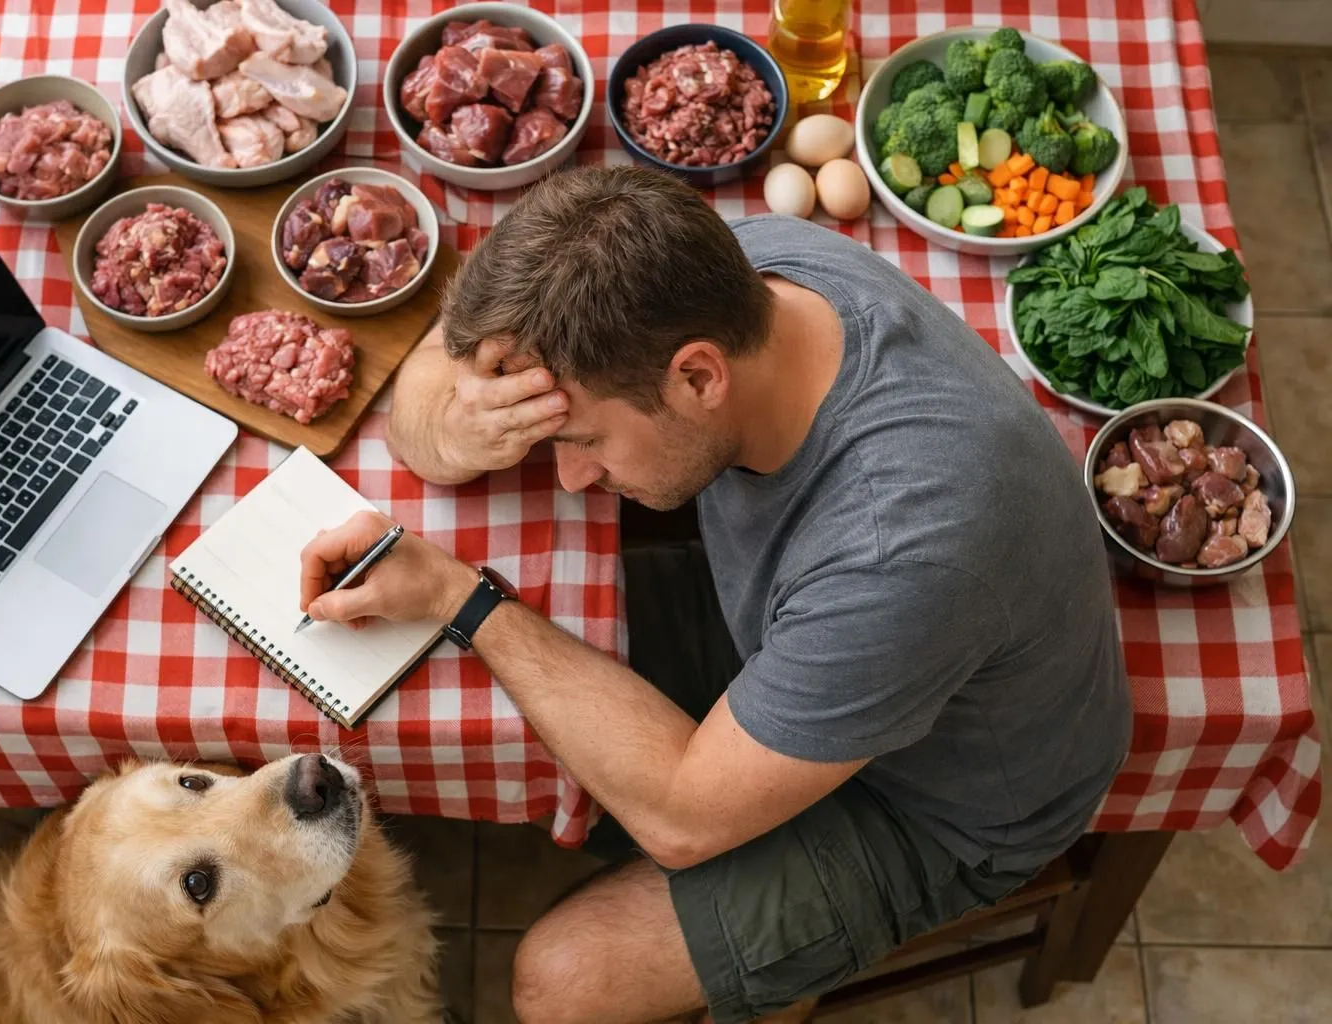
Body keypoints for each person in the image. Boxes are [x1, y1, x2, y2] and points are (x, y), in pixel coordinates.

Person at [297, 166, 1131, 1024]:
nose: (575, 478)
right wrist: (461, 426)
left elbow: (682, 819)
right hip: (792, 634)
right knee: (507, 684)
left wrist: (461, 598)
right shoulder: (722, 274)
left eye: (584, 440)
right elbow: (434, 377)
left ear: (698, 378)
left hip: (936, 801)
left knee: (565, 981)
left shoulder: (906, 546)